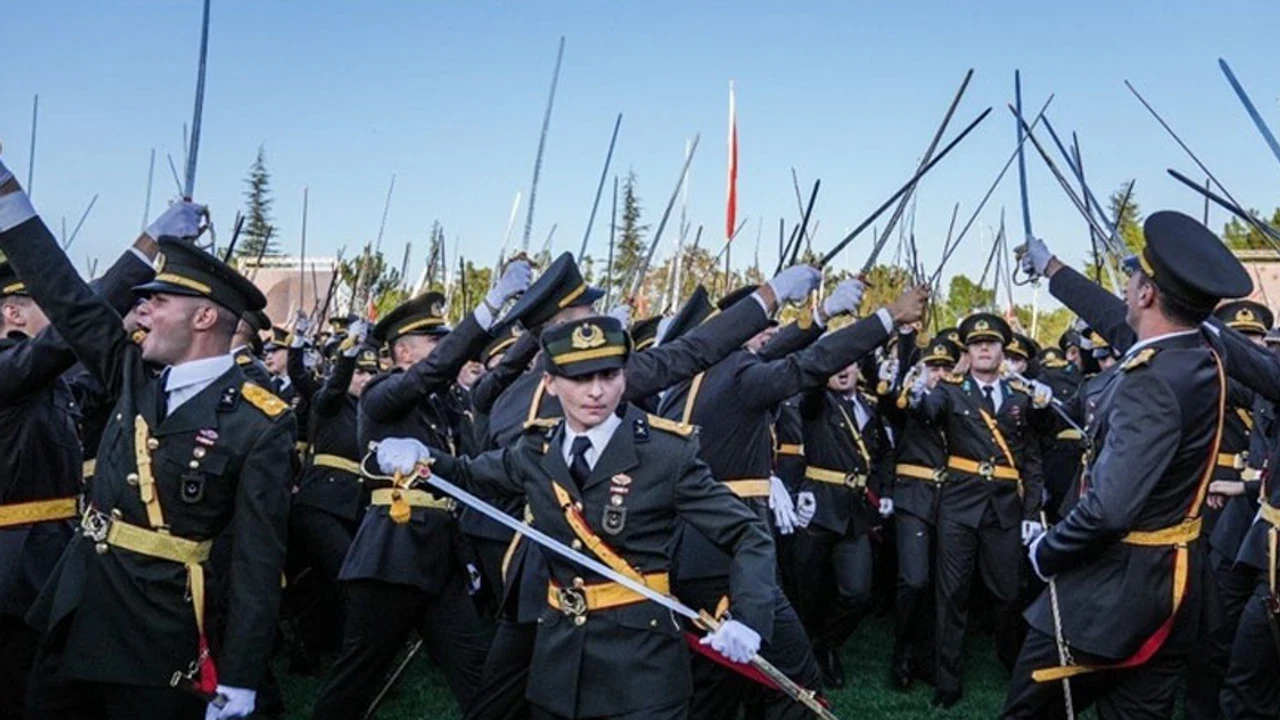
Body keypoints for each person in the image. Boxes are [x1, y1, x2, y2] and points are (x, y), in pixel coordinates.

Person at [0, 160, 294, 720]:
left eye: (158, 302)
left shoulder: (259, 421)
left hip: (159, 629)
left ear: (203, 317)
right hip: (81, 604)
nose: (142, 311)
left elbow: (257, 562)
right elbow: (68, 298)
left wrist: (241, 675)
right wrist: (6, 198)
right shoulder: (132, 375)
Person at [376, 315, 777, 720]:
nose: (596, 391)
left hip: (641, 670)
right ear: (550, 383)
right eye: (580, 378)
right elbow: (469, 475)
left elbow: (747, 533)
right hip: (559, 667)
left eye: (609, 375)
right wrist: (420, 456)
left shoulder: (665, 452)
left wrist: (749, 617)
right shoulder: (536, 449)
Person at [1003, 211, 1252, 718]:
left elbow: (1109, 510)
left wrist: (1046, 551)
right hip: (1174, 587)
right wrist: (1052, 269)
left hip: (1112, 594)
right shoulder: (1200, 355)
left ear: (1146, 294)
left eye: (1133, 278)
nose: (1126, 287)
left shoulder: (1150, 381)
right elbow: (1123, 324)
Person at [659, 282, 929, 719]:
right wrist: (889, 317)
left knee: (717, 680)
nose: (766, 331)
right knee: (795, 680)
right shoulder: (739, 375)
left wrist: (820, 315)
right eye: (754, 325)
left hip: (690, 548)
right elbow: (810, 363)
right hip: (731, 555)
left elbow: (773, 354)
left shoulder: (688, 381)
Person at [0, 231, 161, 719]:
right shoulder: (11, 369)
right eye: (47, 302)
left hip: (50, 550)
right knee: (17, 687)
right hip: (15, 562)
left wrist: (128, 330)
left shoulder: (43, 381)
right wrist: (144, 250)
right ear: (14, 312)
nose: (59, 310)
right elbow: (71, 328)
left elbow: (100, 379)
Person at [907, 312, 1048, 709]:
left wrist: (1031, 512)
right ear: (967, 352)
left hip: (1005, 507)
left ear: (1003, 350)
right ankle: (947, 681)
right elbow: (928, 410)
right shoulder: (951, 390)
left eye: (991, 343)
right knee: (951, 594)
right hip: (959, 505)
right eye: (976, 344)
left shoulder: (1021, 395)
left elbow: (1032, 460)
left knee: (1008, 593)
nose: (984, 348)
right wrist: (917, 394)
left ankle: (1011, 661)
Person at [792, 360, 894, 689]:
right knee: (807, 590)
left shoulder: (870, 404)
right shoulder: (816, 401)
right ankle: (804, 653)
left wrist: (885, 491)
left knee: (857, 592)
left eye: (848, 361)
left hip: (855, 512)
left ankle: (827, 643)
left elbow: (884, 454)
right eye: (835, 363)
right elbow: (810, 394)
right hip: (818, 506)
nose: (841, 369)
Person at [885, 335, 959, 690]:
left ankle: (928, 656)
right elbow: (897, 405)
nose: (940, 374)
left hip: (951, 498)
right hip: (913, 495)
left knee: (941, 584)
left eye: (947, 367)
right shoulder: (910, 396)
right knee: (914, 579)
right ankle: (901, 652)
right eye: (934, 367)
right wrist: (906, 340)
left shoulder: (961, 401)